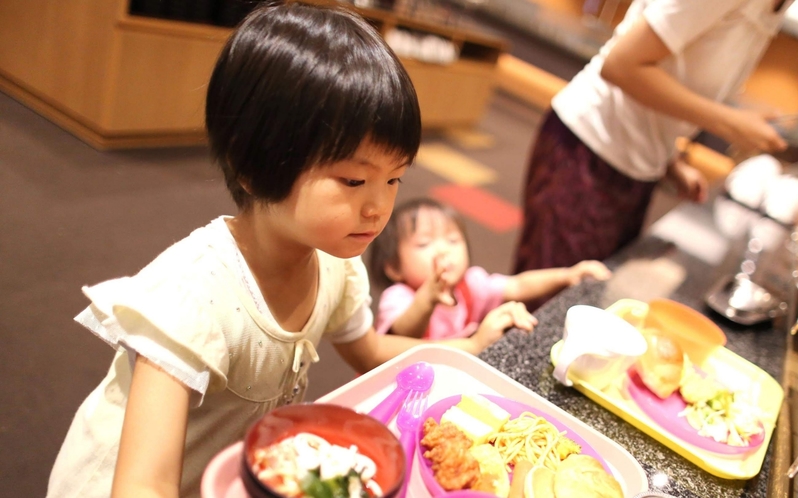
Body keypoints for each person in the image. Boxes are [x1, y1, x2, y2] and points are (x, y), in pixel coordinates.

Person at [46, 5, 499, 498]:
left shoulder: (334, 262)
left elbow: (369, 351)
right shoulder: (193, 297)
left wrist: (468, 350)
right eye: (354, 180)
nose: (379, 207)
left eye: (394, 179)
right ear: (254, 164)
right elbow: (141, 484)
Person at [514, 0, 791, 275]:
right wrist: (731, 123)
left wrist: (668, 157)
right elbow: (621, 65)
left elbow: (678, 69)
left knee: (589, 292)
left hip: (634, 166)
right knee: (549, 301)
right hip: (587, 149)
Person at [369, 197, 611, 339]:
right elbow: (403, 333)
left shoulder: (471, 285)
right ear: (393, 268)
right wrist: (427, 299)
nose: (444, 250)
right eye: (424, 243)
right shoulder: (398, 297)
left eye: (453, 240)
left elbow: (517, 284)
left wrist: (566, 275)